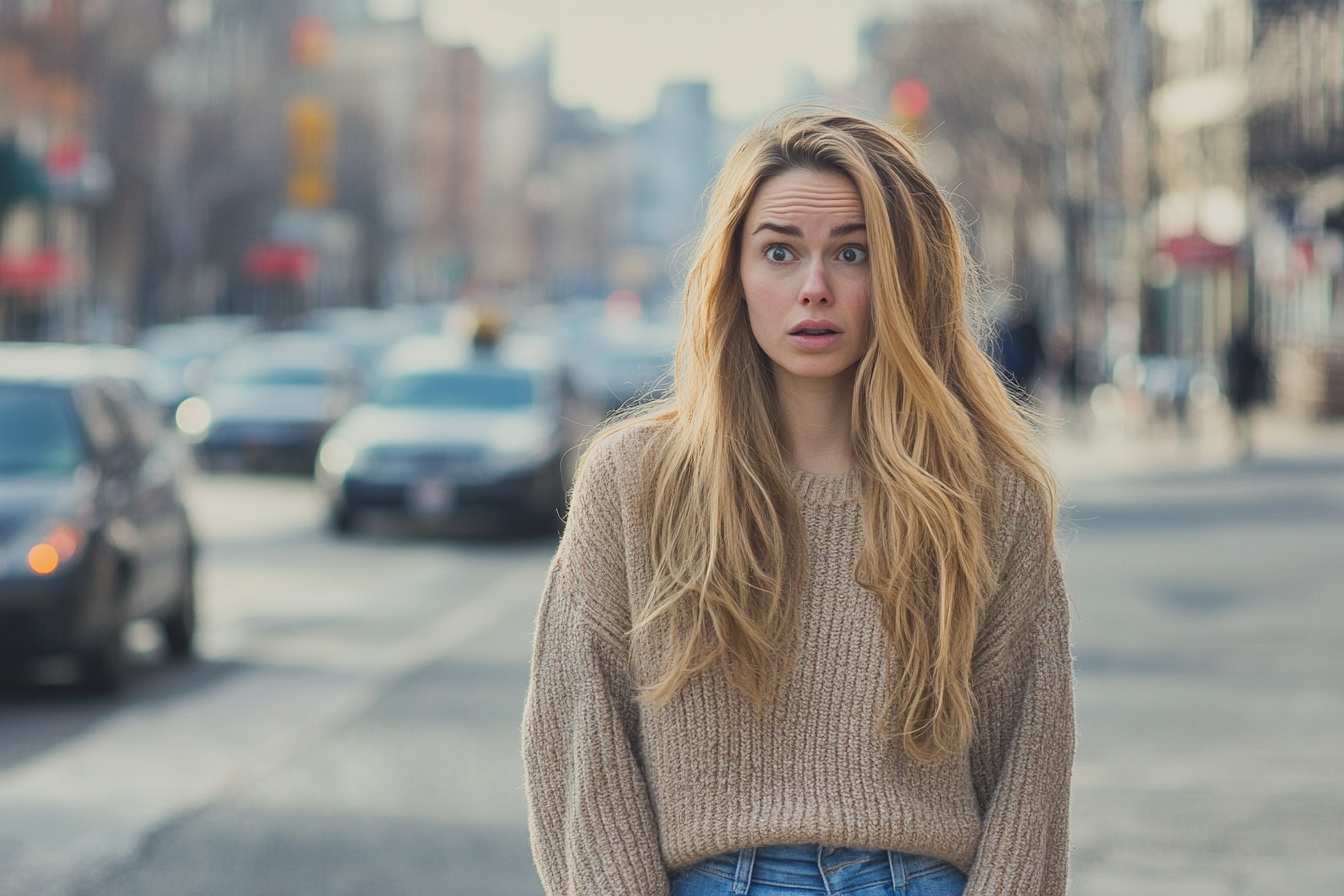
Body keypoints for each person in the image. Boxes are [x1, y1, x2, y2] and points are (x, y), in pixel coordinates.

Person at [522, 109, 1074, 896]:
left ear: (902, 275)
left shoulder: (987, 494)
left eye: (852, 253)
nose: (814, 288)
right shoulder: (634, 480)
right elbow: (581, 750)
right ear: (733, 274)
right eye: (780, 251)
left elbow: (1029, 771)